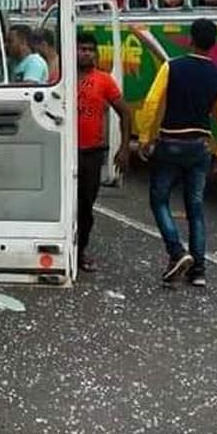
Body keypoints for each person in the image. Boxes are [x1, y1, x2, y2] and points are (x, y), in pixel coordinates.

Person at [135, 18, 217, 288]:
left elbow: (153, 102)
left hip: (170, 142)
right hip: (200, 146)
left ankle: (177, 252)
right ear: (214, 44)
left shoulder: (172, 66)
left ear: (190, 39)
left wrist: (145, 137)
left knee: (159, 199)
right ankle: (199, 270)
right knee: (196, 207)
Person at [75, 32, 130, 272]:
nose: (85, 53)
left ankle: (80, 251)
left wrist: (125, 147)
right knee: (65, 205)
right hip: (65, 153)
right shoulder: (60, 77)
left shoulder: (104, 80)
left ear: (95, 54)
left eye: (89, 49)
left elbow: (125, 113)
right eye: (81, 48)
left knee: (86, 205)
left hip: (91, 153)